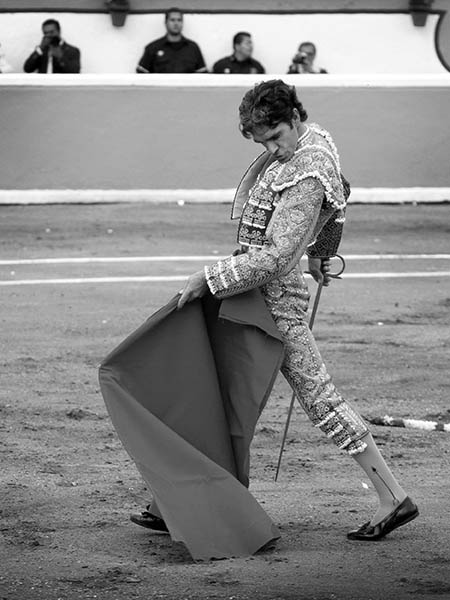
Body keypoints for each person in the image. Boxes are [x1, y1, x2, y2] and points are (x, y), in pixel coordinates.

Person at [132, 79, 419, 543]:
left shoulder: (308, 169)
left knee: (317, 396)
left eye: (275, 137)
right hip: (249, 292)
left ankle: (393, 497)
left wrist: (209, 277)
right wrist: (320, 253)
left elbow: (277, 257)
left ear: (295, 117)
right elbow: (342, 193)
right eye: (262, 142)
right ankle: (175, 502)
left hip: (272, 300)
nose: (272, 149)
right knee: (216, 388)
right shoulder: (313, 140)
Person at [136, 7, 206, 74]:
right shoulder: (153, 48)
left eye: (179, 20)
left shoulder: (193, 48)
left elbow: (203, 75)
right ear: (166, 22)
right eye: (172, 20)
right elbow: (141, 74)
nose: (176, 23)